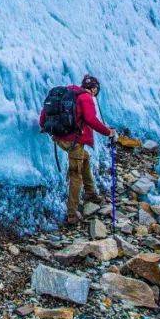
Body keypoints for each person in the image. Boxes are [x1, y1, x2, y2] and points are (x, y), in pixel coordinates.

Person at [39, 75, 118, 224]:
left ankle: (90, 193)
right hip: (74, 141)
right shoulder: (85, 98)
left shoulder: (68, 93)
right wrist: (108, 132)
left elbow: (45, 113)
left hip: (58, 136)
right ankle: (72, 213)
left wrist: (45, 126)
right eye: (96, 90)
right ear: (94, 89)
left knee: (85, 158)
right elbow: (91, 119)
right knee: (76, 174)